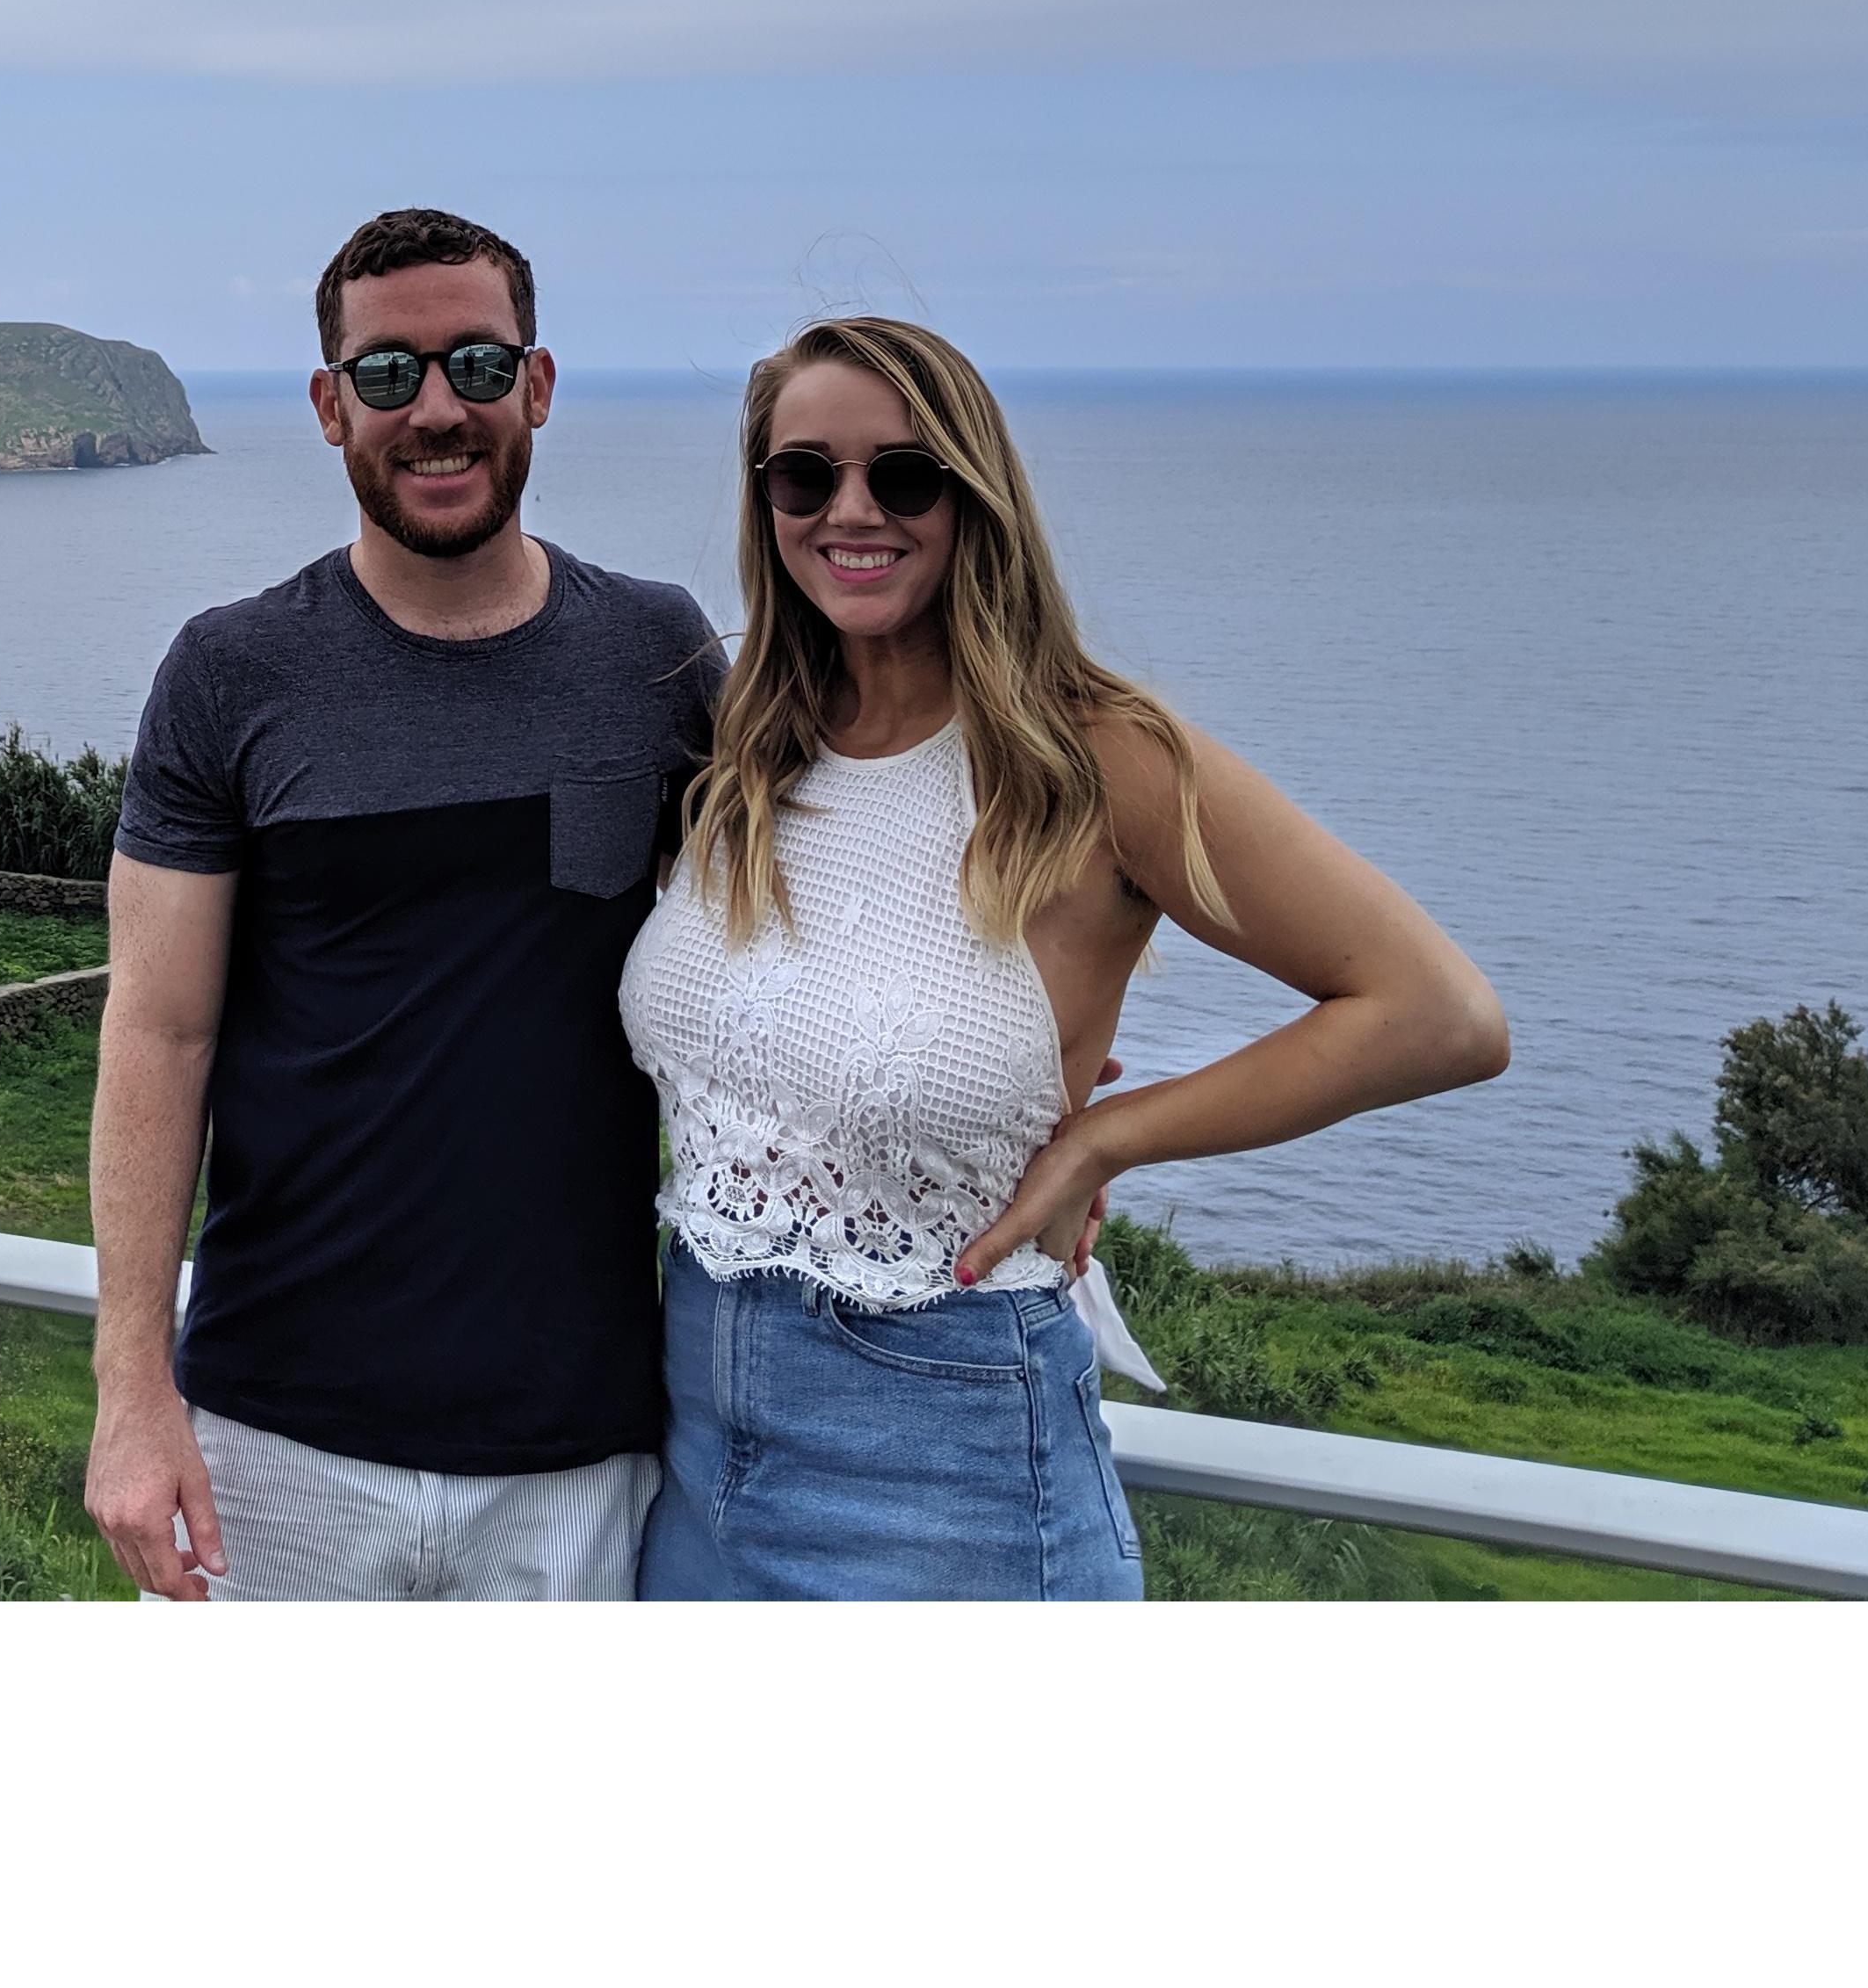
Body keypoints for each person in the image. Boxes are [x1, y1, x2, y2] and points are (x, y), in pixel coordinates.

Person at [623, 314, 1510, 1600]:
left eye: (904, 475)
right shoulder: (751, 737)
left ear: (975, 497)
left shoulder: (1097, 760)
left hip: (951, 1445)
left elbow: (1440, 1013)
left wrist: (1108, 1136)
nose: (850, 509)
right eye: (805, 474)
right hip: (696, 1426)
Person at [86, 206, 722, 1599]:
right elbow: (157, 1033)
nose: (437, 411)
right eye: (389, 377)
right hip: (273, 1434)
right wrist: (133, 1392)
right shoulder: (230, 674)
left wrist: (1036, 1063)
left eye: (477, 367)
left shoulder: (659, 657)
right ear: (330, 407)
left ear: (537, 386)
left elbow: (794, 924)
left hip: (577, 1446)